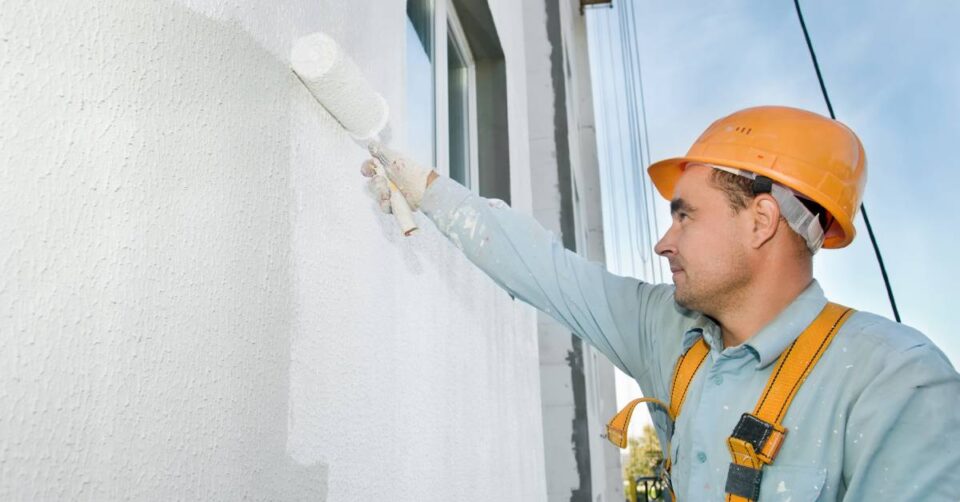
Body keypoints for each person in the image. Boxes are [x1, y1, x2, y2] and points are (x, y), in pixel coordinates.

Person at [360, 106, 960, 500]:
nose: (662, 241)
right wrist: (431, 194)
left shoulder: (897, 384)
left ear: (761, 221)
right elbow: (547, 273)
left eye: (684, 214)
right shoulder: (670, 331)